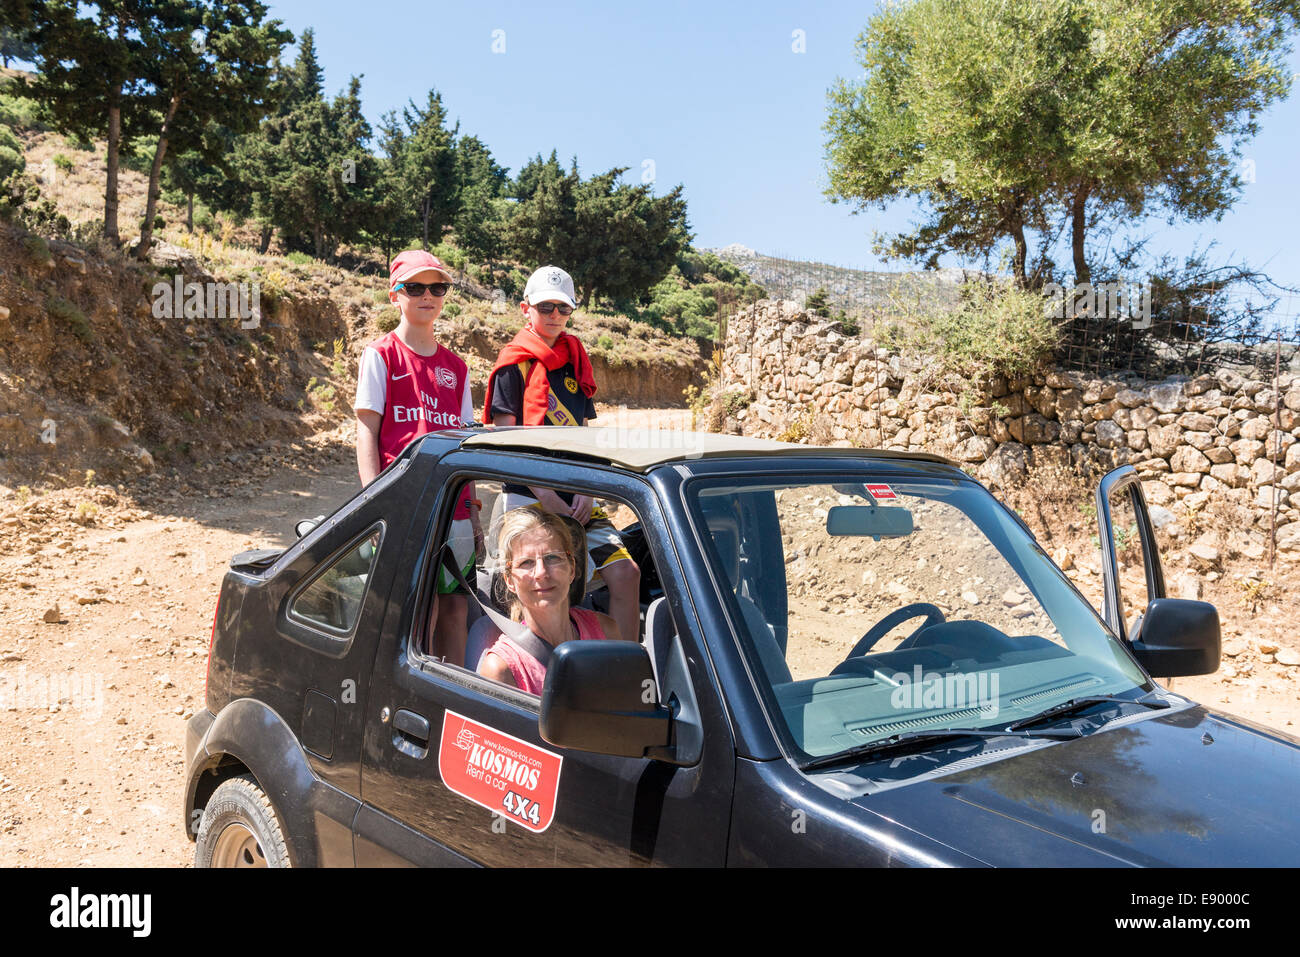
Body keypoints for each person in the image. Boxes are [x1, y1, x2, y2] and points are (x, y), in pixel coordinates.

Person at [482, 265, 641, 646]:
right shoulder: (512, 364)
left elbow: (582, 436)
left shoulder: (575, 359)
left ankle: (622, 671)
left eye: (563, 309)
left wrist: (584, 490)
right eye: (546, 307)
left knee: (627, 574)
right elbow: (507, 443)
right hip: (527, 497)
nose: (555, 316)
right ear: (526, 309)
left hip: (575, 494)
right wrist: (548, 496)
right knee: (547, 582)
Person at [354, 249, 480, 663]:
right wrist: (374, 505)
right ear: (395, 295)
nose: (428, 295)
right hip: (405, 504)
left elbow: (465, 444)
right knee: (418, 612)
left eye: (437, 287)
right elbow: (367, 432)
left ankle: (455, 702)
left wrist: (475, 514)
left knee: (456, 609)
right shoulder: (380, 355)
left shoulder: (457, 369)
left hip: (456, 510)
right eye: (415, 287)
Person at [477, 508, 622, 694]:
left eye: (552, 558)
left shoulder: (607, 632)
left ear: (572, 569)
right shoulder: (501, 668)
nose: (541, 573)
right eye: (526, 563)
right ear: (509, 581)